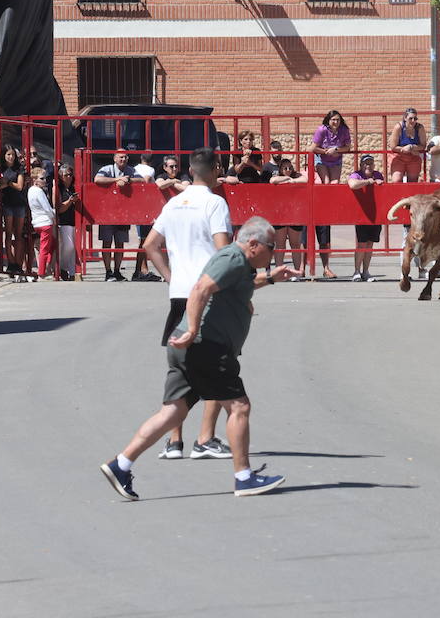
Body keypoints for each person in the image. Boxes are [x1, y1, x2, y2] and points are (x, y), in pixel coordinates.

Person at [100, 217, 296, 500]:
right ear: (253, 244)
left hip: (192, 346)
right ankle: (244, 478)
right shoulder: (232, 258)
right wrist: (193, 330)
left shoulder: (240, 264)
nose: (273, 253)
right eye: (271, 247)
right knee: (239, 407)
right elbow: (200, 289)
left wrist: (271, 278)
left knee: (173, 412)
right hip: (206, 345)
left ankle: (121, 464)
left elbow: (239, 287)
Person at [140, 147, 235, 461]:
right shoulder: (215, 202)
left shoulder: (174, 204)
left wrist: (169, 276)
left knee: (178, 367)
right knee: (218, 363)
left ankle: (173, 441)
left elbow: (150, 245)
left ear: (191, 170)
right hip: (208, 293)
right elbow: (223, 252)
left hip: (180, 293)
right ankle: (205, 438)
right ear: (214, 169)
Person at [310, 110, 351, 278]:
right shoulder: (322, 130)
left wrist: (337, 150)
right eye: (333, 120)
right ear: (328, 120)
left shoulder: (344, 131)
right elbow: (312, 148)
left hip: (336, 160)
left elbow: (348, 147)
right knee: (326, 183)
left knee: (334, 185)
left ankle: (332, 208)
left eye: (338, 120)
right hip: (322, 159)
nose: (335, 122)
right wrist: (325, 150)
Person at [94, 149, 141, 281]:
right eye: (120, 157)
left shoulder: (131, 170)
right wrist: (117, 179)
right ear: (114, 158)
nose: (123, 160)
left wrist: (128, 180)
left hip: (123, 213)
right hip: (107, 212)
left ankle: (117, 271)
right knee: (107, 242)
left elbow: (142, 180)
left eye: (125, 157)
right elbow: (97, 179)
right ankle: (108, 272)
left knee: (120, 243)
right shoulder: (107, 169)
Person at [347, 154, 384, 281]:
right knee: (361, 244)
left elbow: (383, 187)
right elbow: (352, 184)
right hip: (361, 214)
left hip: (375, 214)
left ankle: (366, 271)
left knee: (370, 244)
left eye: (371, 163)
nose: (369, 165)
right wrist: (368, 182)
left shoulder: (378, 174)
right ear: (361, 165)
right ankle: (356, 271)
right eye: (366, 163)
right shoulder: (356, 175)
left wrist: (380, 183)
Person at [269, 157, 307, 278]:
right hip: (280, 214)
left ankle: (296, 272)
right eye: (285, 168)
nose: (288, 170)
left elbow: (305, 179)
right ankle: (279, 272)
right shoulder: (278, 177)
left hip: (295, 214)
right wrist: (286, 178)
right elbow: (272, 180)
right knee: (280, 244)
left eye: (290, 168)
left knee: (295, 244)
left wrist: (292, 181)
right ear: (280, 169)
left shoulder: (296, 176)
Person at [0, 146, 29, 281]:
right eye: (8, 154)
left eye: (13, 155)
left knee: (19, 235)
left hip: (19, 203)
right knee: (8, 234)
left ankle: (18, 263)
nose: (11, 157)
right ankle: (10, 263)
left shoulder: (19, 168)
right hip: (7, 203)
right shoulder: (0, 169)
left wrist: (8, 182)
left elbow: (20, 186)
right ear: (4, 155)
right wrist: (7, 183)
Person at [131, 150, 161, 281]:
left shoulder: (134, 169)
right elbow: (147, 180)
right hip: (146, 206)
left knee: (143, 239)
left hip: (138, 205)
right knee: (145, 239)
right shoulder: (150, 170)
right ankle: (141, 270)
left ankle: (140, 270)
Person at [27, 166, 56, 279]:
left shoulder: (30, 190)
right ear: (35, 179)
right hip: (45, 222)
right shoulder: (39, 191)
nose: (44, 181)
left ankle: (46, 267)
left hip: (36, 222)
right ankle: (42, 271)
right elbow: (47, 208)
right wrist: (53, 215)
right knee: (45, 248)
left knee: (51, 244)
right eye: (42, 178)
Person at [54, 162, 79, 281]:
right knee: (69, 246)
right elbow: (58, 208)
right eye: (66, 175)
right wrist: (70, 201)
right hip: (64, 221)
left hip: (76, 221)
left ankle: (72, 272)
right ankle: (62, 268)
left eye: (70, 174)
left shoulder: (75, 186)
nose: (69, 177)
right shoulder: (58, 189)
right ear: (60, 176)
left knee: (74, 248)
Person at [389, 107, 426, 182]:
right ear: (405, 118)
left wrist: (411, 147)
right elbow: (393, 146)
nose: (413, 121)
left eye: (415, 119)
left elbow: (423, 145)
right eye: (410, 118)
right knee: (396, 181)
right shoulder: (398, 127)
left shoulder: (419, 128)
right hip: (399, 157)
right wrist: (404, 149)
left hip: (413, 157)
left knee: (412, 182)